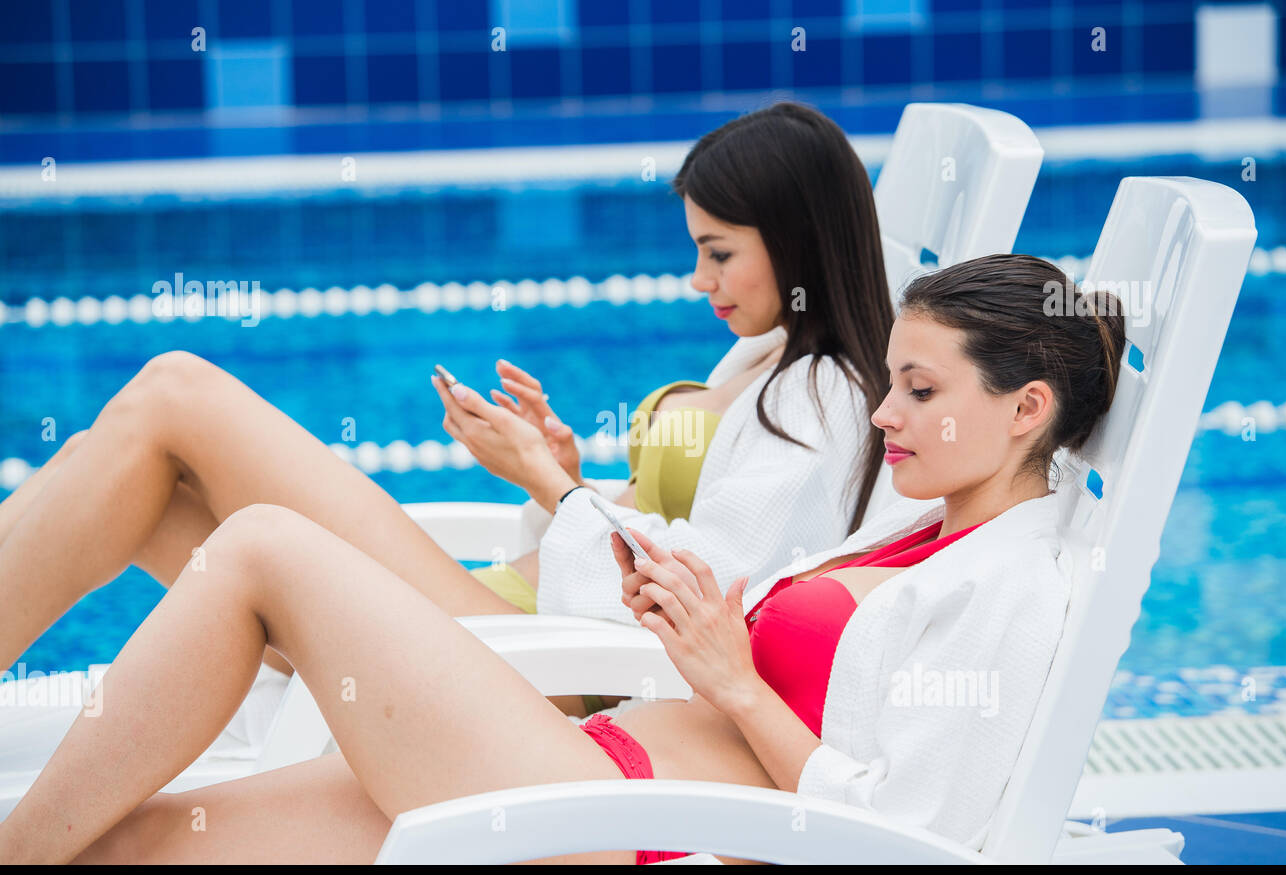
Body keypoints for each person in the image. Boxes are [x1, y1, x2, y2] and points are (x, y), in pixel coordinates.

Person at [0, 253, 1125, 864]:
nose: (886, 414)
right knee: (130, 852)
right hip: (572, 756)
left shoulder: (1010, 586)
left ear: (1026, 408)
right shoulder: (926, 530)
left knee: (259, 548)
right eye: (892, 384)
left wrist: (732, 679)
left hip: (607, 817)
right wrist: (680, 609)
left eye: (919, 392)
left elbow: (912, 845)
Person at [0, 103, 897, 722]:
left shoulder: (825, 402)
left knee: (175, 395)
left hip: (530, 662)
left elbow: (713, 602)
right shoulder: (768, 354)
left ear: (797, 240)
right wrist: (567, 477)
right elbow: (678, 522)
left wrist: (545, 481)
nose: (698, 280)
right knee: (121, 473)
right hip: (508, 611)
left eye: (718, 252)